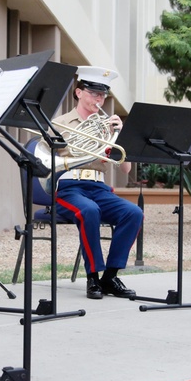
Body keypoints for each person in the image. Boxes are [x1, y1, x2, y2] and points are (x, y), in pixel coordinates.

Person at [50, 66, 143, 300]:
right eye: (93, 93)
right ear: (79, 92)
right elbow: (47, 161)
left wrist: (121, 137)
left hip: (99, 187)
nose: (99, 99)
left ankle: (110, 277)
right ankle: (93, 277)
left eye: (102, 95)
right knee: (89, 211)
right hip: (69, 186)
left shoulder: (107, 126)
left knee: (133, 213)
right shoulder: (59, 123)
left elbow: (125, 168)